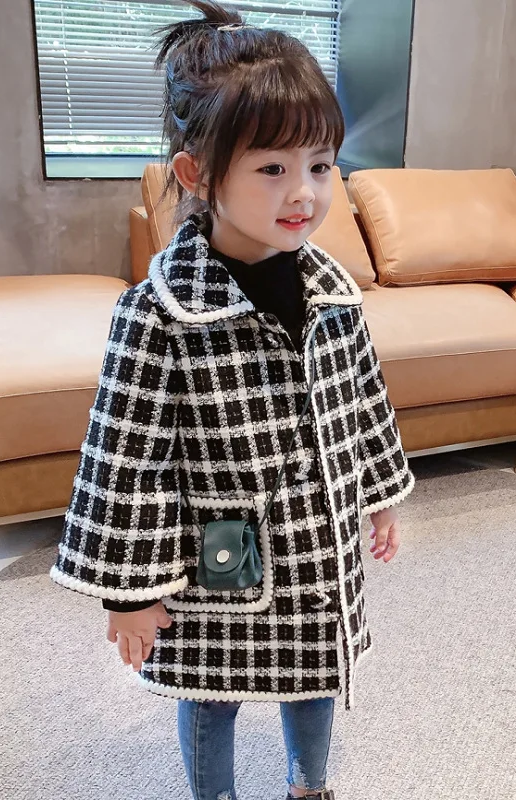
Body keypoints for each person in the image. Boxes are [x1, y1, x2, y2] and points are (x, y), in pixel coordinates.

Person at [49, 2, 415, 799]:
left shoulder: (332, 292)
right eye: (272, 169)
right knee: (211, 694)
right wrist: (130, 593)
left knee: (316, 671)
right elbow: (125, 462)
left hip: (315, 547)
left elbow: (363, 399)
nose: (304, 193)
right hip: (218, 557)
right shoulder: (157, 315)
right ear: (198, 175)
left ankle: (309, 786)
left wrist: (382, 495)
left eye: (321, 165)